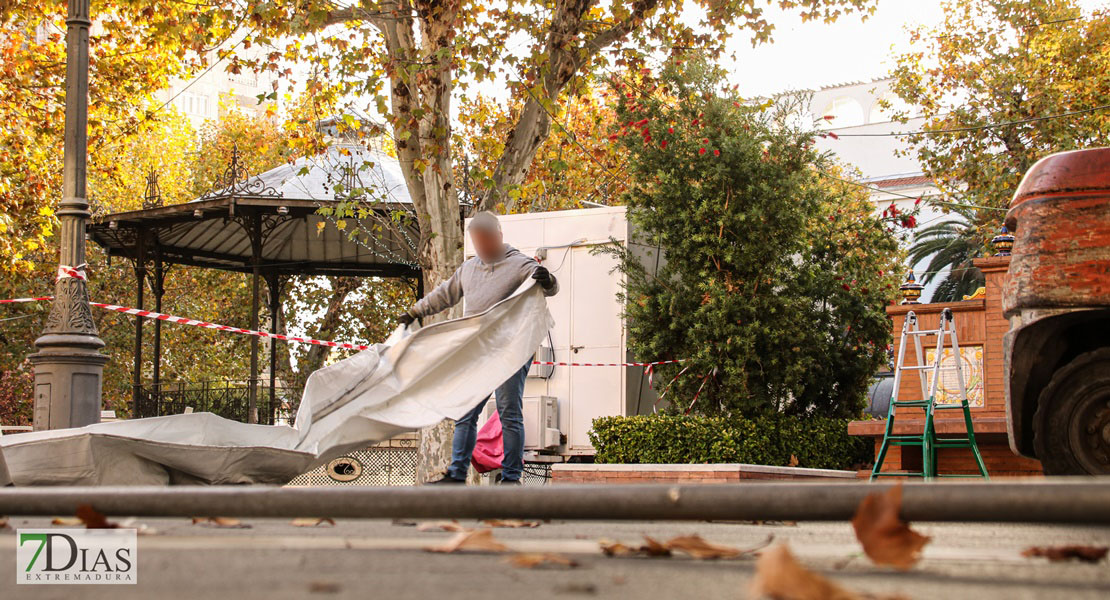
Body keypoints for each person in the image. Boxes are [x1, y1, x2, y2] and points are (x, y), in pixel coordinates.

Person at [398, 211, 558, 484]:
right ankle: (457, 475)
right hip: (479, 352)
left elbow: (549, 288)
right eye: (477, 243)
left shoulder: (520, 264)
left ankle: (511, 478)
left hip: (512, 351)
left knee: (509, 412)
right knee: (466, 412)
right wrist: (415, 312)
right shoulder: (469, 269)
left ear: (498, 236)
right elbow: (444, 295)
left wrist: (548, 280)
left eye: (486, 241)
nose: (482, 248)